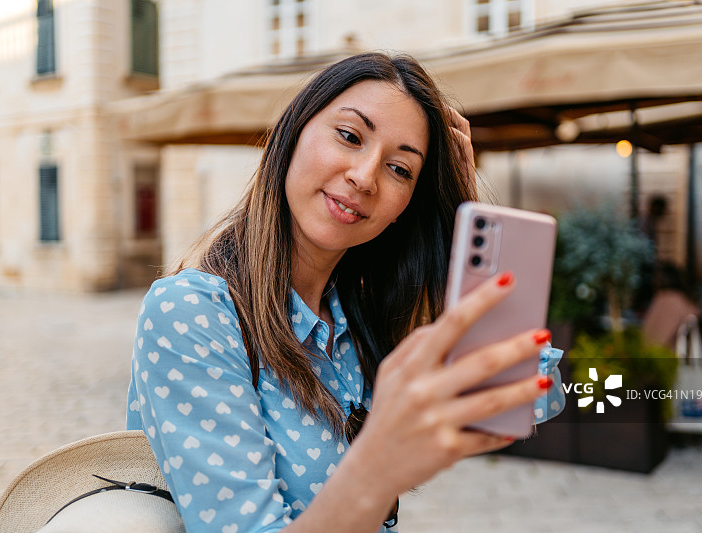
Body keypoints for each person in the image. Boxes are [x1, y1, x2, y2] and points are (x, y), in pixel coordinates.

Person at [126, 52, 552, 533]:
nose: (365, 177)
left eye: (400, 169)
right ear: (294, 132)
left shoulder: (357, 319)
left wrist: (462, 214)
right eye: (349, 136)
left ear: (406, 207)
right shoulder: (193, 312)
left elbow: (524, 401)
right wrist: (378, 464)